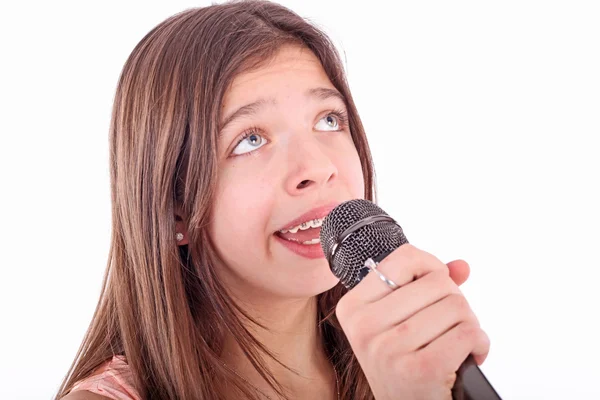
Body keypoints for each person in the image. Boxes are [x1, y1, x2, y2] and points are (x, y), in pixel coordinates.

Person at [56, 1, 490, 399]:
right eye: (250, 139)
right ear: (176, 209)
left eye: (328, 119)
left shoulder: (405, 364)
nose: (316, 167)